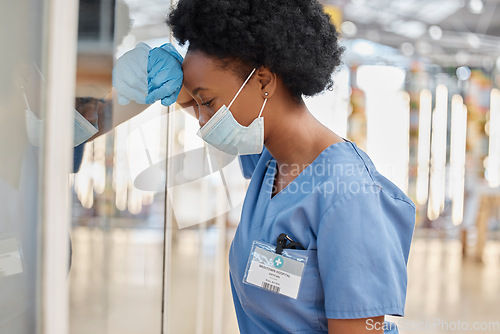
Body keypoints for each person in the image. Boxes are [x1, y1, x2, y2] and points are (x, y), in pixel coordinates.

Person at [123, 0, 416, 333]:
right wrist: (174, 80)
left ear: (263, 81)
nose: (201, 121)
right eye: (197, 104)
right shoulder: (269, 160)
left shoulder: (350, 195)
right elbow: (202, 99)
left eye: (207, 102)